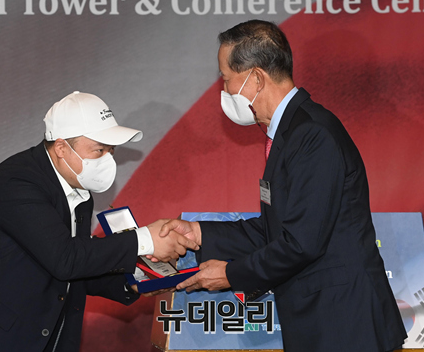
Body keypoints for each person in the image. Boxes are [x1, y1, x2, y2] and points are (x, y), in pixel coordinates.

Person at [160, 21, 408, 351]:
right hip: (325, 321)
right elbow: (276, 231)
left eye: (226, 79)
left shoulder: (312, 134)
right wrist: (199, 233)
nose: (225, 90)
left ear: (256, 78)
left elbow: (302, 243)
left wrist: (231, 274)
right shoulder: (291, 133)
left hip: (345, 323)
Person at [0, 91, 198, 352]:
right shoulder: (17, 182)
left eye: (111, 150)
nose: (108, 159)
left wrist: (133, 281)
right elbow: (65, 258)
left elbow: (71, 269)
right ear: (62, 148)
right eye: (99, 150)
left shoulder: (78, 190)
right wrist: (145, 239)